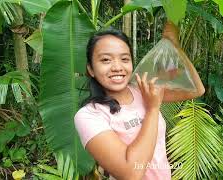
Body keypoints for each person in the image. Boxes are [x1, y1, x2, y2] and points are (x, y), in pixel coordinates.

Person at [74, 21, 205, 180]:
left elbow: (196, 89)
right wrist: (152, 109)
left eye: (124, 59)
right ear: (90, 69)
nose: (117, 67)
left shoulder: (141, 90)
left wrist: (175, 47)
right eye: (106, 60)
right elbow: (132, 173)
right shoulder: (90, 115)